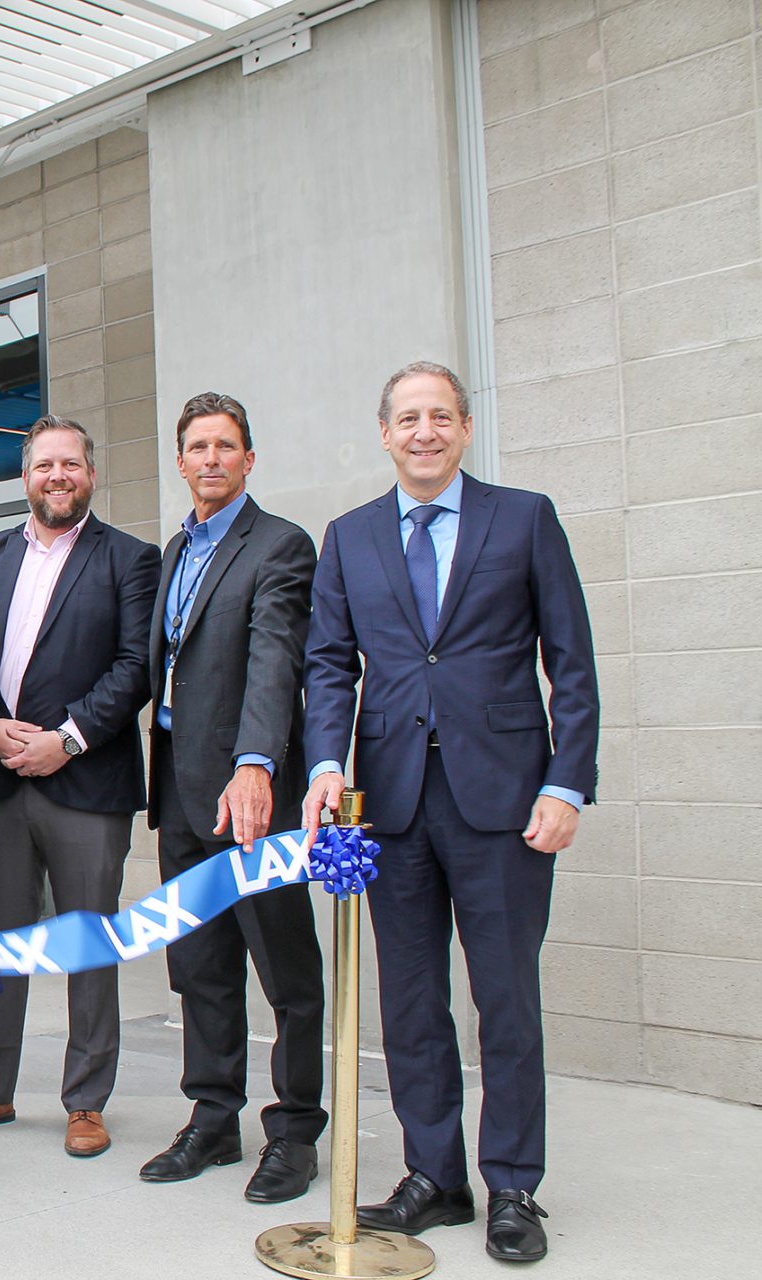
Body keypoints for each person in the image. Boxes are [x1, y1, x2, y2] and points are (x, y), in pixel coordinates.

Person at [301, 362, 599, 1264]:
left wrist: (566, 782)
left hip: (507, 801)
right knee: (412, 1000)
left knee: (505, 998)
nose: (424, 432)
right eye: (407, 418)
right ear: (384, 434)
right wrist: (324, 763)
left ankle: (513, 1183)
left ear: (465, 428)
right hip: (388, 804)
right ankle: (436, 1176)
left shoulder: (525, 517)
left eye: (441, 416)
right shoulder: (349, 537)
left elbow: (572, 662)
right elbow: (328, 665)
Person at [0, 415, 158, 1159]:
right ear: (26, 476)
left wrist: (65, 739)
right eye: (43, 466)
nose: (57, 476)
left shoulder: (131, 560)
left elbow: (137, 666)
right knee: (0, 943)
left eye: (70, 463)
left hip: (87, 781)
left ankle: (86, 1100)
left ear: (90, 474)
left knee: (87, 944)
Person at [140, 393, 325, 1202]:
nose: (211, 459)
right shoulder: (176, 549)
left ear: (250, 459)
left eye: (226, 446)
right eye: (197, 447)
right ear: (180, 462)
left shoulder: (281, 546)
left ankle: (294, 1132)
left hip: (250, 792)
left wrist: (255, 764)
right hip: (180, 789)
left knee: (285, 968)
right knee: (201, 965)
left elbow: (276, 659)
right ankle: (212, 1119)